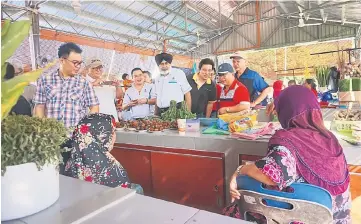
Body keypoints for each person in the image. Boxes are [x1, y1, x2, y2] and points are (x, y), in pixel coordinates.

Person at [225, 85, 351, 223]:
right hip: (334, 219)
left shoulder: (288, 139)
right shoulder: (330, 139)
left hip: (298, 218)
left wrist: (240, 170)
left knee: (234, 209)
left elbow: (273, 175)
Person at [33, 42, 99, 173]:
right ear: (62, 60)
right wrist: (43, 130)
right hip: (52, 140)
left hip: (75, 140)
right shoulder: (45, 81)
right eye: (75, 62)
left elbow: (94, 107)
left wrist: (85, 131)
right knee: (52, 174)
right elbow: (39, 107)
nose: (78, 66)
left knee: (75, 177)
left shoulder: (83, 83)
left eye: (80, 63)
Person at [64, 113, 143, 194]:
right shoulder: (113, 169)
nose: (115, 136)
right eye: (113, 131)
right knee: (138, 189)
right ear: (104, 136)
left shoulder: (69, 162)